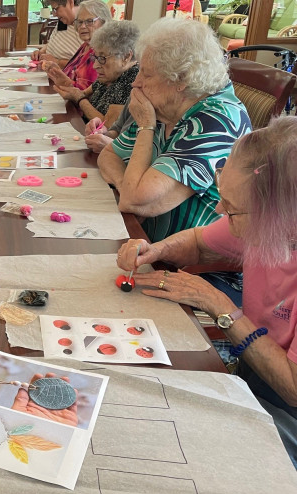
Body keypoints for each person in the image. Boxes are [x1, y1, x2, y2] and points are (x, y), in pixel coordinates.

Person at [116, 117, 297, 468]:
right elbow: (199, 242)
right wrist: (155, 250)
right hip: (252, 374)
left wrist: (219, 305)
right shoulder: (268, 223)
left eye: (231, 207)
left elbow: (292, 388)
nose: (218, 211)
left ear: (283, 216)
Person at [97, 17, 251, 245]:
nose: (135, 83)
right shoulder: (167, 105)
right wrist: (124, 186)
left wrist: (146, 126)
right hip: (144, 240)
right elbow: (108, 156)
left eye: (146, 74)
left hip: (195, 259)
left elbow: (135, 198)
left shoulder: (216, 120)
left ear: (182, 79)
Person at [54, 20, 139, 126]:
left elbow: (107, 126)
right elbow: (83, 94)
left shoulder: (131, 80)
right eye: (96, 57)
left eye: (102, 58)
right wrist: (68, 85)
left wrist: (80, 99)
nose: (95, 65)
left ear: (126, 57)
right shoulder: (110, 75)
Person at [44, 0, 111, 91]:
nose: (82, 26)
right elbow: (71, 74)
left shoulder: (101, 52)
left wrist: (65, 82)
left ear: (104, 22)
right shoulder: (85, 46)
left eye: (89, 21)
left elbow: (90, 92)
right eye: (79, 22)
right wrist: (56, 71)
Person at [30, 0, 84, 66]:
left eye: (56, 9)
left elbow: (84, 65)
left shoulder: (85, 28)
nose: (54, 14)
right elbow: (54, 42)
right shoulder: (64, 21)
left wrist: (57, 61)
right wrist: (42, 51)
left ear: (70, 2)